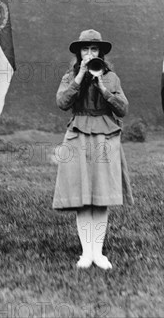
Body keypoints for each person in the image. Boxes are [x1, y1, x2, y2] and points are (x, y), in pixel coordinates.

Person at [52, 29, 133, 270]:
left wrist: (102, 88)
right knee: (82, 197)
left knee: (100, 196)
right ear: (79, 53)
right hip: (78, 135)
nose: (89, 53)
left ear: (100, 53)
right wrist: (80, 77)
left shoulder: (112, 78)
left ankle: (98, 252)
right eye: (85, 49)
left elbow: (123, 110)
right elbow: (62, 103)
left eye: (94, 49)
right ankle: (86, 253)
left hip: (105, 135)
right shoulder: (69, 76)